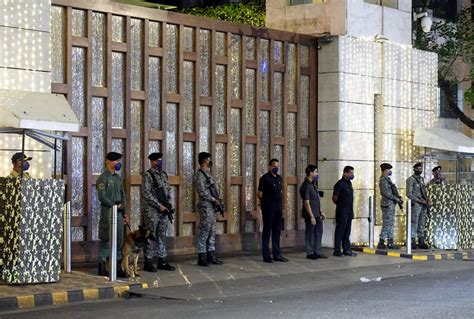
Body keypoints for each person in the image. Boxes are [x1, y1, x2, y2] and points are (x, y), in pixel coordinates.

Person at [96, 152, 128, 277]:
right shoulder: (103, 178)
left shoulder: (117, 178)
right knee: (106, 239)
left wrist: (124, 211)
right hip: (108, 214)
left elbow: (122, 195)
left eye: (118, 161)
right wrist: (113, 205)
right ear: (108, 162)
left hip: (119, 215)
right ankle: (102, 266)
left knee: (119, 240)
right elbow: (102, 197)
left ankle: (117, 267)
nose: (118, 163)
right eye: (115, 161)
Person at [142, 152, 175, 272]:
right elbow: (146, 194)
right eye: (157, 161)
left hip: (163, 210)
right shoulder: (148, 175)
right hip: (152, 210)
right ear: (151, 161)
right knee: (150, 236)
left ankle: (162, 260)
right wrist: (158, 205)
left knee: (162, 234)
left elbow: (167, 192)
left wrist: (169, 205)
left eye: (160, 160)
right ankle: (148, 261)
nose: (159, 162)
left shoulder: (164, 175)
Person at [194, 152, 224, 267]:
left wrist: (217, 201)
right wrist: (213, 199)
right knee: (204, 231)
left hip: (211, 206)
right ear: (204, 160)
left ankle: (211, 255)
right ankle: (202, 257)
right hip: (206, 206)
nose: (210, 161)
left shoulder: (208, 174)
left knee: (212, 230)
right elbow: (202, 191)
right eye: (209, 159)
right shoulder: (199, 175)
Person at [257, 158, 288, 263]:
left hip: (278, 208)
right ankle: (266, 255)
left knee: (277, 231)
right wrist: (266, 201)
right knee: (267, 230)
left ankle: (277, 254)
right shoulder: (264, 178)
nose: (276, 168)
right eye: (274, 166)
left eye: (278, 166)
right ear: (269, 166)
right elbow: (259, 193)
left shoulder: (279, 178)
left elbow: (281, 193)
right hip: (268, 208)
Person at [299, 164, 327, 260]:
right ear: (311, 173)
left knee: (319, 232)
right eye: (315, 172)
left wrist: (321, 211)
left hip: (317, 213)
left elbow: (317, 200)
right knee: (310, 233)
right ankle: (310, 252)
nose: (317, 174)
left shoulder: (313, 184)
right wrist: (311, 216)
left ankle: (318, 251)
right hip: (310, 214)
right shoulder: (306, 185)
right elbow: (306, 203)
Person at [332, 166, 357, 257]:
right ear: (345, 173)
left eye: (353, 173)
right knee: (340, 230)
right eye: (350, 173)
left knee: (347, 231)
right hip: (342, 211)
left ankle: (346, 249)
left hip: (349, 211)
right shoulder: (340, 184)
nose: (352, 175)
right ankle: (337, 250)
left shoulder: (349, 183)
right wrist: (341, 206)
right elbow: (334, 198)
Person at [377, 163, 402, 250]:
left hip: (390, 204)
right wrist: (396, 198)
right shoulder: (383, 180)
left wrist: (397, 197)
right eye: (388, 170)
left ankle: (385, 242)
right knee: (388, 223)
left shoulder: (387, 179)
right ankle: (385, 242)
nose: (389, 171)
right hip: (387, 204)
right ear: (384, 170)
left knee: (389, 223)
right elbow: (385, 193)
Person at [406, 162, 430, 249]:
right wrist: (419, 200)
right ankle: (412, 241)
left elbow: (424, 191)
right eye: (418, 169)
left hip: (423, 204)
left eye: (421, 169)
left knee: (422, 223)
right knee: (414, 223)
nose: (420, 170)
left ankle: (421, 241)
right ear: (414, 169)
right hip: (416, 205)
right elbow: (409, 193)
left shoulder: (421, 179)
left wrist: (426, 199)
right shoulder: (411, 179)